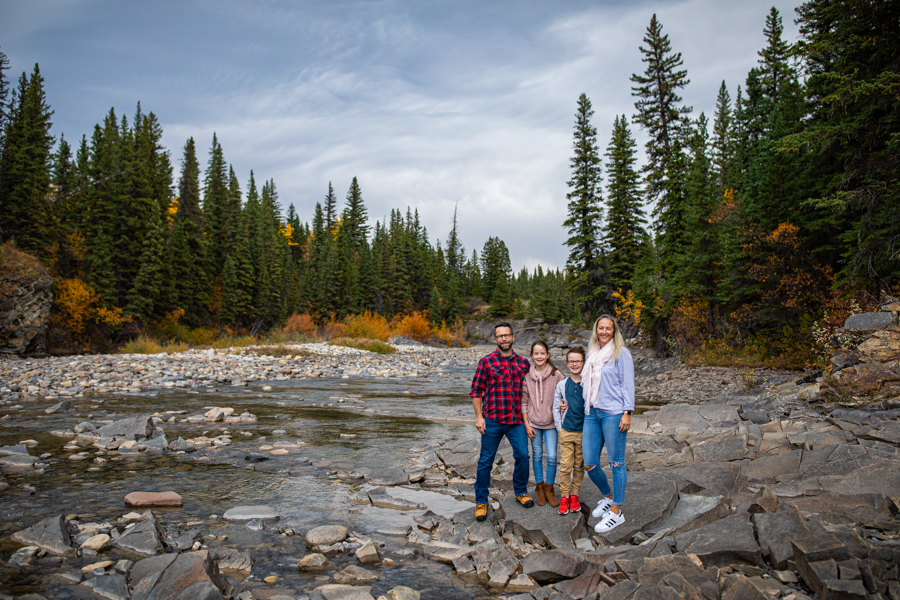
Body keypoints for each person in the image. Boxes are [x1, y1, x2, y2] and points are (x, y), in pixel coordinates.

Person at [470, 322, 534, 522]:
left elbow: (533, 390)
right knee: (485, 461)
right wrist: (479, 417)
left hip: (516, 421)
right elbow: (476, 391)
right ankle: (481, 501)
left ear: (513, 337)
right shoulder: (486, 362)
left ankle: (521, 492)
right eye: (500, 336)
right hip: (492, 419)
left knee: (523, 455)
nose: (504, 339)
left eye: (507, 335)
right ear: (495, 339)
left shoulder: (524, 363)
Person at [581, 315, 635, 533]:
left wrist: (627, 412)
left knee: (616, 462)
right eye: (601, 328)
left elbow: (627, 384)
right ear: (596, 330)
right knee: (589, 462)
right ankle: (609, 496)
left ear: (614, 331)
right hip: (592, 411)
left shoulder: (621, 353)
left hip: (613, 413)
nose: (604, 331)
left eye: (608, 329)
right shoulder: (592, 353)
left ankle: (616, 511)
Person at [522, 341, 566, 507]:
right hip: (533, 423)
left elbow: (565, 395)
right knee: (537, 454)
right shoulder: (527, 376)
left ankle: (549, 487)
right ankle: (539, 487)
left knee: (553, 456)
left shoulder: (557, 375)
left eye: (542, 353)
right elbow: (524, 401)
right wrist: (527, 424)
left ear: (547, 355)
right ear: (532, 356)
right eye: (536, 353)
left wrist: (562, 406)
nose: (539, 356)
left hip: (552, 423)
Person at [552, 346, 587, 516]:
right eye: (572, 361)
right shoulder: (562, 384)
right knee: (565, 466)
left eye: (578, 361)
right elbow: (555, 407)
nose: (575, 364)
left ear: (583, 363)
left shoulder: (588, 383)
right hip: (566, 431)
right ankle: (564, 496)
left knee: (579, 466)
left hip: (583, 432)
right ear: (566, 363)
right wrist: (559, 428)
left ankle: (575, 495)